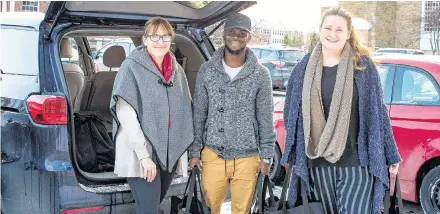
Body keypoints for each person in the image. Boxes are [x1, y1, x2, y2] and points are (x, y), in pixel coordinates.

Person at [281, 7, 401, 214]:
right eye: (328, 28)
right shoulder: (303, 68)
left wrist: (391, 154)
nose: (333, 34)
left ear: (348, 33)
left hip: (356, 163)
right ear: (320, 30)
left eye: (339, 30)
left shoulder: (362, 66)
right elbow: (291, 113)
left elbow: (379, 113)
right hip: (316, 164)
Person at [188, 13, 276, 214]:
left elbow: (265, 117)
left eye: (241, 32)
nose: (235, 36)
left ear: (249, 37)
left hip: (248, 157)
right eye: (231, 32)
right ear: (223, 34)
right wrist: (195, 152)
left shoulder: (261, 74)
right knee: (209, 208)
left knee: (242, 210)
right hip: (212, 154)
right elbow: (199, 113)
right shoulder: (207, 70)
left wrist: (267, 156)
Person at [109, 17, 194, 214]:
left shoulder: (176, 70)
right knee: (148, 209)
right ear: (145, 40)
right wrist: (144, 156)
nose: (160, 41)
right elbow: (125, 113)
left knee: (152, 206)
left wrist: (187, 152)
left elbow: (184, 110)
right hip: (140, 150)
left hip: (168, 150)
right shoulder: (130, 67)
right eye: (154, 36)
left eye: (165, 36)